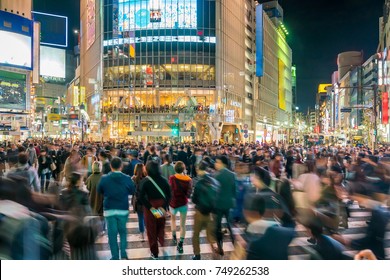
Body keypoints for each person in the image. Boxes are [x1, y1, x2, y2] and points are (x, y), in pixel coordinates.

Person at [97, 157, 135, 260]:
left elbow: (99, 190)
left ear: (110, 166)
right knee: (123, 232)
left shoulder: (104, 178)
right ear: (121, 166)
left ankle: (114, 256)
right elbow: (132, 191)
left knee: (112, 234)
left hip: (109, 209)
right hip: (123, 208)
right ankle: (123, 253)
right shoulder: (127, 178)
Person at [139, 160, 171, 260]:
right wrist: (164, 206)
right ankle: (161, 240)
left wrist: (150, 207)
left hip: (150, 208)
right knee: (161, 225)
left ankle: (154, 253)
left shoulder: (145, 181)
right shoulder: (164, 180)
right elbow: (169, 195)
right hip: (161, 205)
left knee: (151, 230)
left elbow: (141, 197)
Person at [191, 161, 219, 260]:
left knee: (196, 234)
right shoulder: (214, 181)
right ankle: (215, 250)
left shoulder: (198, 182)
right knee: (211, 236)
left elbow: (194, 199)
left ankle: (197, 254)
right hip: (212, 213)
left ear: (198, 169)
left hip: (200, 212)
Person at [213, 155, 237, 256]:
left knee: (218, 227)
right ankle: (235, 245)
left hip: (218, 205)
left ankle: (220, 247)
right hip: (229, 203)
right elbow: (234, 190)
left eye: (217, 162)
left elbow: (214, 192)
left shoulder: (216, 176)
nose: (215, 164)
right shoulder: (232, 175)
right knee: (230, 225)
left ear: (222, 163)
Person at [168, 161, 192, 254]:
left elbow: (170, 190)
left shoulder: (172, 178)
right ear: (184, 169)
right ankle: (181, 244)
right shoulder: (189, 179)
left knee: (173, 220)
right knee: (183, 224)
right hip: (183, 204)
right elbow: (189, 194)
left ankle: (174, 237)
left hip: (173, 203)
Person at [86, 161, 104, 232]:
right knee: (101, 215)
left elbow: (87, 189)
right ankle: (102, 229)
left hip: (92, 199)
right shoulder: (103, 177)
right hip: (101, 199)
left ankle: (94, 229)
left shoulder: (90, 178)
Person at [131, 163, 147, 241]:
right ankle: (148, 231)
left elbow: (131, 190)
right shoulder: (147, 179)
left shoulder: (133, 178)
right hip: (146, 201)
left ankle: (142, 234)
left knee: (140, 217)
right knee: (146, 216)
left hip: (137, 201)